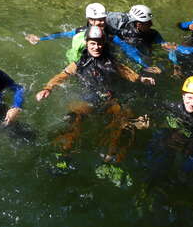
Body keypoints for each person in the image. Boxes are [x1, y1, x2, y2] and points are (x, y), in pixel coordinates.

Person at [35, 26, 155, 165]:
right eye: (92, 43)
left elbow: (125, 71)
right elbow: (62, 76)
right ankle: (64, 153)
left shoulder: (111, 61)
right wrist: (48, 88)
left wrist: (141, 79)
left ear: (103, 44)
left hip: (111, 97)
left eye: (99, 43)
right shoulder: (79, 64)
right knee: (75, 118)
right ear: (87, 43)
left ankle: (111, 157)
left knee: (121, 121)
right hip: (88, 97)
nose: (96, 47)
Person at [25, 3, 160, 73]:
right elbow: (64, 34)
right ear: (89, 20)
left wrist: (144, 65)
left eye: (102, 20)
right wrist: (41, 39)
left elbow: (127, 49)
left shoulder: (110, 34)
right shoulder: (82, 31)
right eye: (96, 20)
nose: (100, 23)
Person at [107, 4, 172, 59]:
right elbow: (136, 54)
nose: (151, 24)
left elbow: (163, 43)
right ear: (139, 25)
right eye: (148, 23)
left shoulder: (150, 31)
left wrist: (164, 44)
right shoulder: (131, 37)